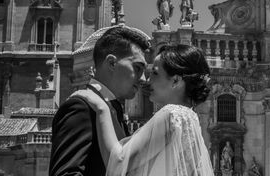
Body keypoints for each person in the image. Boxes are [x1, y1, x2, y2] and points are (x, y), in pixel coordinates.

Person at [71, 44, 213, 176]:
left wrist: (101, 108)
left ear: (175, 81)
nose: (147, 80)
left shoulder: (171, 114)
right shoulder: (191, 119)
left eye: (155, 73)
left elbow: (117, 163)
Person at [49, 25, 151, 176]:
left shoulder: (110, 107)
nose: (143, 79)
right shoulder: (81, 107)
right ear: (111, 63)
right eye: (137, 68)